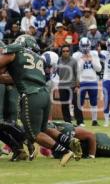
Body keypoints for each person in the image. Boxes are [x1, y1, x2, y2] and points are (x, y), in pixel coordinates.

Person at [0, 35, 82, 166]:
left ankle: (64, 151)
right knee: (44, 128)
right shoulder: (37, 58)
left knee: (34, 134)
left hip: (31, 95)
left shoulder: (14, 51)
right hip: (44, 94)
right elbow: (15, 79)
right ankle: (68, 141)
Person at [73, 38, 102, 126]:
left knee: (93, 102)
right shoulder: (76, 55)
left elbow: (99, 69)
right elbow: (76, 69)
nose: (85, 48)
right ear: (80, 46)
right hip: (81, 81)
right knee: (80, 102)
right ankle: (80, 121)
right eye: (83, 46)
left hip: (93, 80)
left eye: (86, 46)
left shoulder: (94, 54)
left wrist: (91, 59)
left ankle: (94, 120)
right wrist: (83, 60)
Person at [57, 44, 85, 127]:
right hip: (62, 86)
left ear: (70, 52)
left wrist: (77, 86)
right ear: (61, 52)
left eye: (67, 51)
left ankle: (80, 122)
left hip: (72, 86)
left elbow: (77, 74)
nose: (65, 52)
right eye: (63, 51)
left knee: (76, 103)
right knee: (64, 105)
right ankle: (67, 122)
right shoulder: (59, 60)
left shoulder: (74, 61)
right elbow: (58, 72)